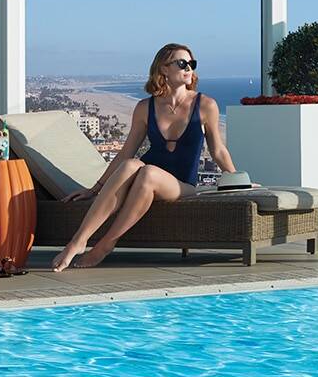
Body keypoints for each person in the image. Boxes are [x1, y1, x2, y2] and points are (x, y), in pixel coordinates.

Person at [50, 43, 236, 272]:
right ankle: (78, 241)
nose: (189, 68)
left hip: (181, 185)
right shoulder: (145, 107)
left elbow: (218, 150)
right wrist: (94, 188)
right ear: (163, 69)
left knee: (146, 172)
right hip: (145, 180)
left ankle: (106, 244)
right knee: (131, 165)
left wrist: (238, 179)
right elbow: (126, 152)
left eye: (191, 63)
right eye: (182, 63)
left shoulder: (205, 105)